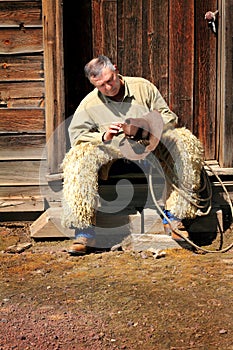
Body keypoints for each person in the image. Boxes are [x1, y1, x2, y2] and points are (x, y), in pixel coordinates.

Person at [65, 55, 200, 255]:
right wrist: (104, 135)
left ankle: (174, 217)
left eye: (110, 80)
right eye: (101, 85)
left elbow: (169, 116)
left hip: (151, 140)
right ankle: (84, 230)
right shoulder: (90, 103)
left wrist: (147, 124)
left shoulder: (142, 87)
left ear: (116, 70)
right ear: (94, 84)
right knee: (77, 158)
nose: (108, 88)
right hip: (114, 147)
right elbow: (76, 135)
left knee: (186, 143)